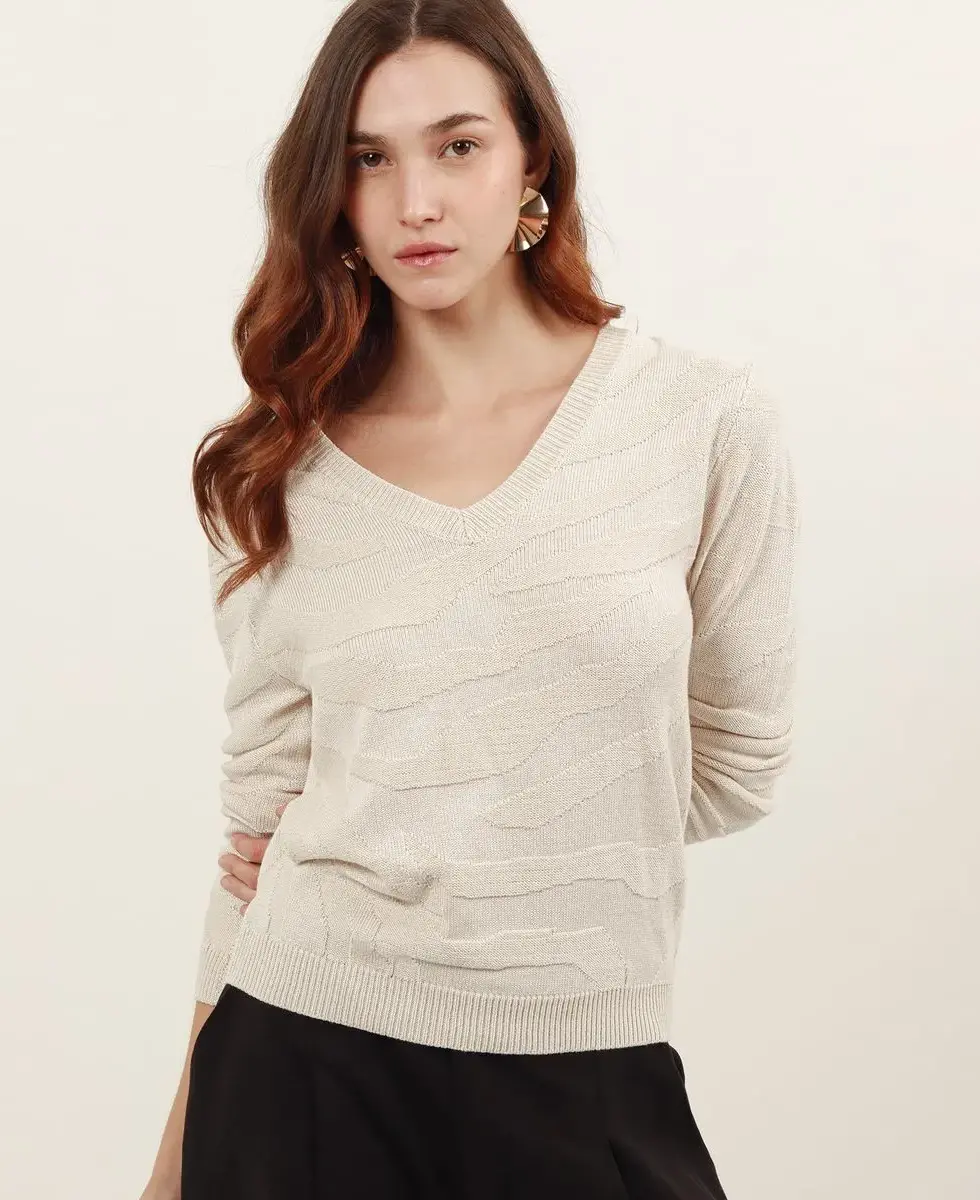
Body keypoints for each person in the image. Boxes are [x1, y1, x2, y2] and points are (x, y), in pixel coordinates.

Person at [141, 0, 800, 1196]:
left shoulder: (699, 421)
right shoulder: (273, 468)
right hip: (300, 1064)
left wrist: (478, 826)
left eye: (457, 145)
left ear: (530, 159)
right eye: (367, 159)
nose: (416, 203)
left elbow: (735, 761)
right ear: (330, 194)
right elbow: (258, 834)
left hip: (586, 1064)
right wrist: (167, 1172)